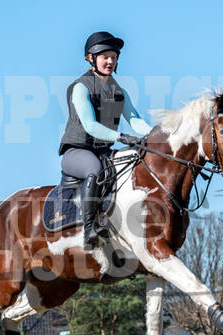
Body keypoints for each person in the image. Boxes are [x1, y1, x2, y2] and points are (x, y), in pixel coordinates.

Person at [59, 31, 153, 250]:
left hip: (104, 152)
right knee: (94, 169)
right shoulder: (80, 87)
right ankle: (89, 230)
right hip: (77, 152)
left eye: (114, 57)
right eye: (105, 57)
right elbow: (90, 126)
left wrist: (158, 135)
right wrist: (121, 137)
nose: (110, 61)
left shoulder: (119, 91)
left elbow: (136, 121)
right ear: (91, 59)